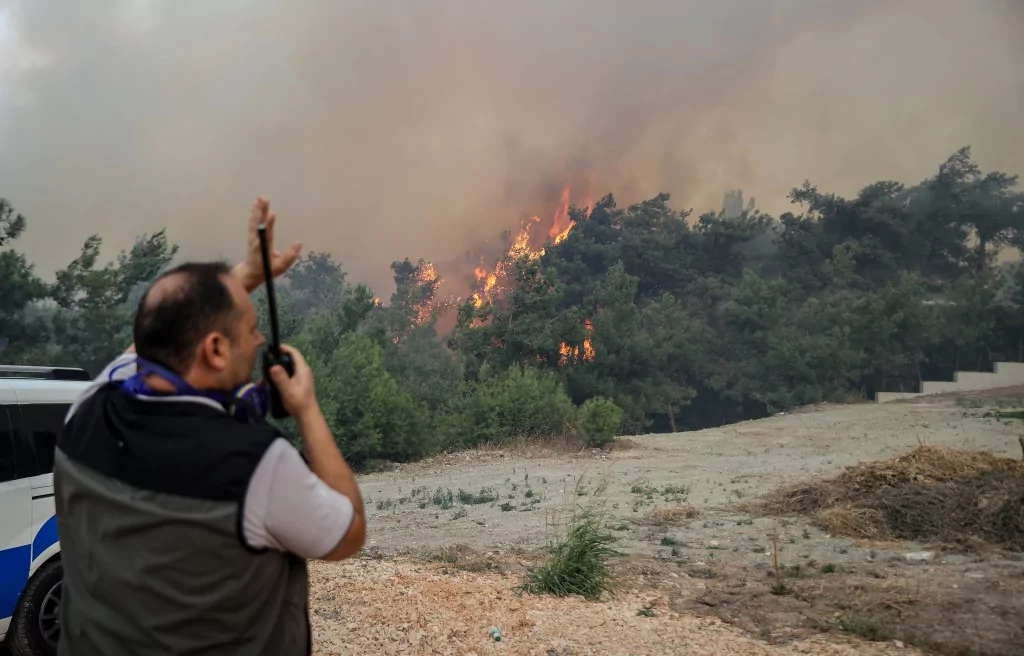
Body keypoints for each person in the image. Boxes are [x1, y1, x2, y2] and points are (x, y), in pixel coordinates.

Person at [52, 197, 366, 656]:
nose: (260, 340)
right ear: (215, 349)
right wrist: (306, 408)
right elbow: (349, 532)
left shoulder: (86, 410)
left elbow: (150, 341)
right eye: (252, 329)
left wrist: (245, 278)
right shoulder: (254, 465)